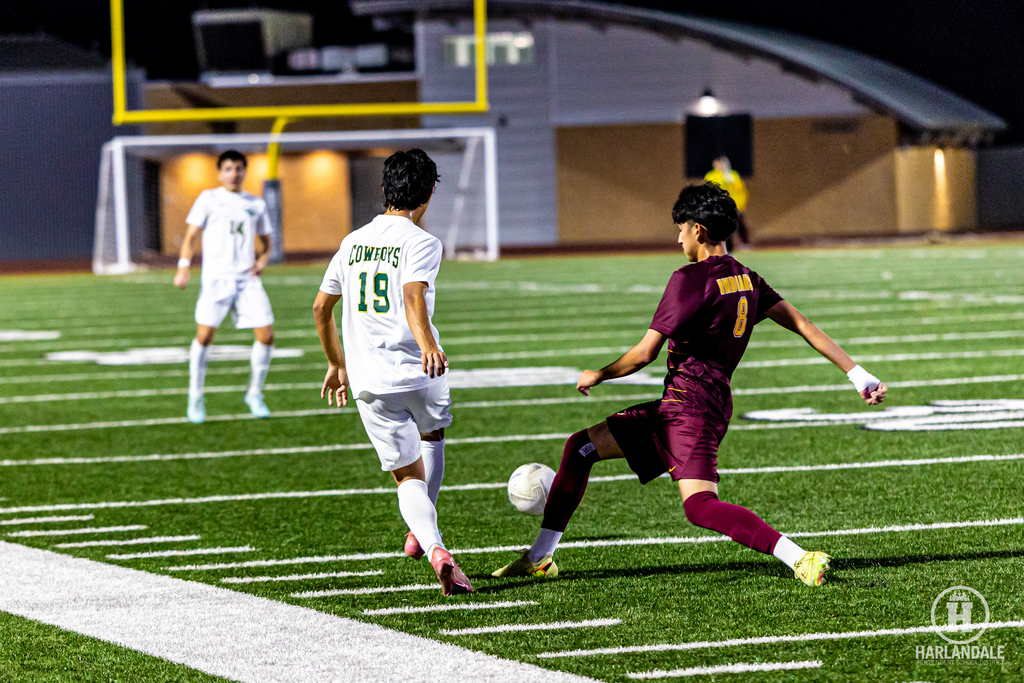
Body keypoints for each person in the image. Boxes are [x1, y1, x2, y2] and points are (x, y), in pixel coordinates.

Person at [492, 181, 887, 587]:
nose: (677, 237)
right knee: (581, 447)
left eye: (680, 228)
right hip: (684, 406)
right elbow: (802, 323)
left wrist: (599, 373)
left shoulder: (690, 279)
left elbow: (644, 353)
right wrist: (858, 374)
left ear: (698, 230)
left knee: (699, 507)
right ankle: (539, 557)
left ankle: (799, 557)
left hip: (689, 413)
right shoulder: (747, 278)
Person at [312, 149, 472, 596]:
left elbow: (321, 307)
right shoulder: (422, 241)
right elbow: (412, 296)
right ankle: (423, 528)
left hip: (371, 378)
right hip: (421, 371)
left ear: (386, 190)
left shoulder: (352, 241)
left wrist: (335, 363)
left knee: (405, 476)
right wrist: (428, 345)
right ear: (429, 192)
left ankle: (435, 546)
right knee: (433, 436)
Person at [174, 150, 275, 424]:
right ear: (220, 172)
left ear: (244, 172)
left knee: (266, 335)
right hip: (216, 280)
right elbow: (191, 235)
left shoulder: (256, 204)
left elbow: (266, 242)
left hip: (247, 280)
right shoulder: (209, 198)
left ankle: (254, 394)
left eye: (239, 168)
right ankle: (195, 395)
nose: (234, 173)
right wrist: (184, 265)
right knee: (204, 337)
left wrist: (262, 260)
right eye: (229, 168)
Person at [704, 156, 750, 249]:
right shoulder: (711, 175)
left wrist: (741, 204)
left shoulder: (733, 174)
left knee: (740, 224)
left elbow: (740, 189)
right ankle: (717, 245)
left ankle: (745, 243)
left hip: (735, 205)